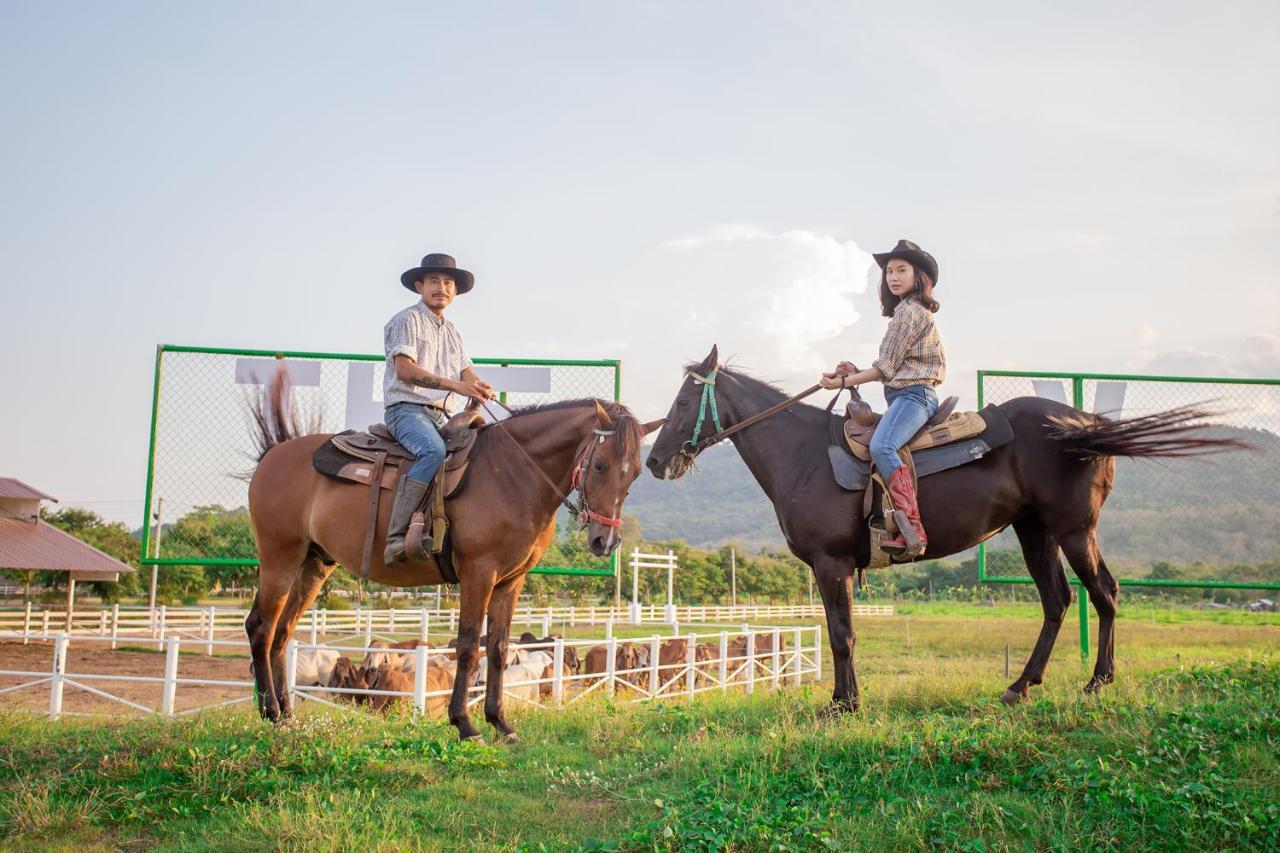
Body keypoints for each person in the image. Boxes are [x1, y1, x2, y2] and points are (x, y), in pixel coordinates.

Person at [820, 239, 946, 553]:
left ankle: (912, 527)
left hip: (915, 396)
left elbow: (884, 369)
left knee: (882, 444)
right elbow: (892, 368)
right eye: (889, 271)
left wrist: (843, 381)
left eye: (902, 270)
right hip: (904, 395)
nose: (893, 277)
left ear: (919, 277)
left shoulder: (909, 314)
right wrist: (853, 372)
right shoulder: (905, 313)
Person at [382, 252, 494, 564]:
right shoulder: (406, 320)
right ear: (420, 286)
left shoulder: (453, 331)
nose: (441, 287)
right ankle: (395, 537)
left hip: (440, 415)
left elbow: (466, 373)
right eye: (434, 281)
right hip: (406, 409)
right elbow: (405, 370)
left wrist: (480, 387)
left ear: (455, 292)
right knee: (432, 451)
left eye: (448, 283)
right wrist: (458, 387)